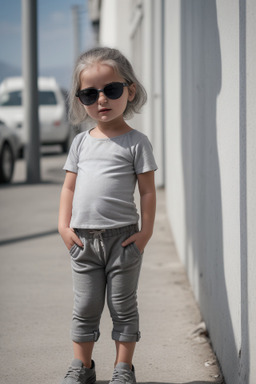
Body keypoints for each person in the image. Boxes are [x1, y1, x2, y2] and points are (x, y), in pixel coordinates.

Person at [58, 47, 157, 384]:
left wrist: (145, 233)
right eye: (89, 93)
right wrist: (63, 226)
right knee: (85, 306)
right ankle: (81, 367)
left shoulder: (136, 143)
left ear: (129, 90)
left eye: (111, 90)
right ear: (80, 99)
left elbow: (147, 191)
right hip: (83, 240)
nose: (101, 99)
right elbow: (69, 188)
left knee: (123, 306)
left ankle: (123, 369)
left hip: (123, 239)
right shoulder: (81, 143)